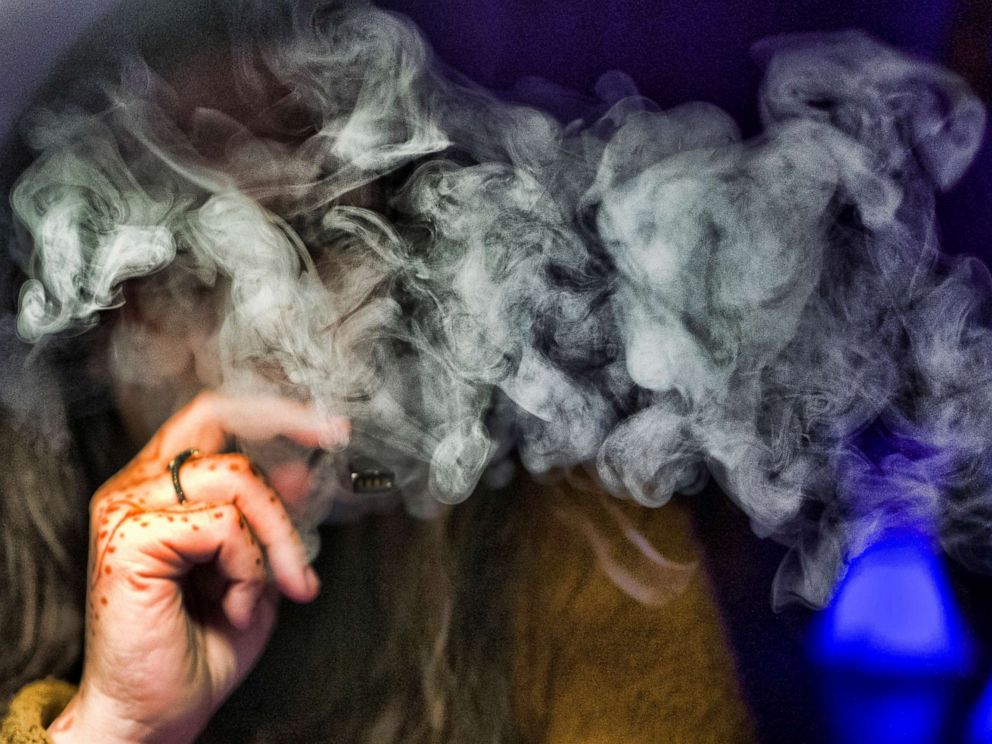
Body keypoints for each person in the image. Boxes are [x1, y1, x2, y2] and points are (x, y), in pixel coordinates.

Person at [0, 3, 759, 742]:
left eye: (317, 237)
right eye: (187, 277)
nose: (272, 325)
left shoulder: (582, 549)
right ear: (86, 331)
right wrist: (116, 727)